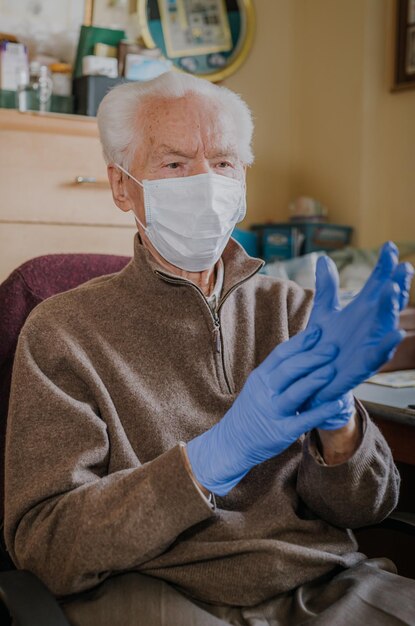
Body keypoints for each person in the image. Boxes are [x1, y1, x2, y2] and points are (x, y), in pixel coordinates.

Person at [4, 72, 415, 626]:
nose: (204, 182)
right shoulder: (61, 330)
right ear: (122, 187)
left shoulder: (297, 310)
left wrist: (339, 427)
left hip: (320, 585)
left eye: (222, 163)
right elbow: (47, 546)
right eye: (174, 164)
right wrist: (212, 460)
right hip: (157, 590)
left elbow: (369, 507)